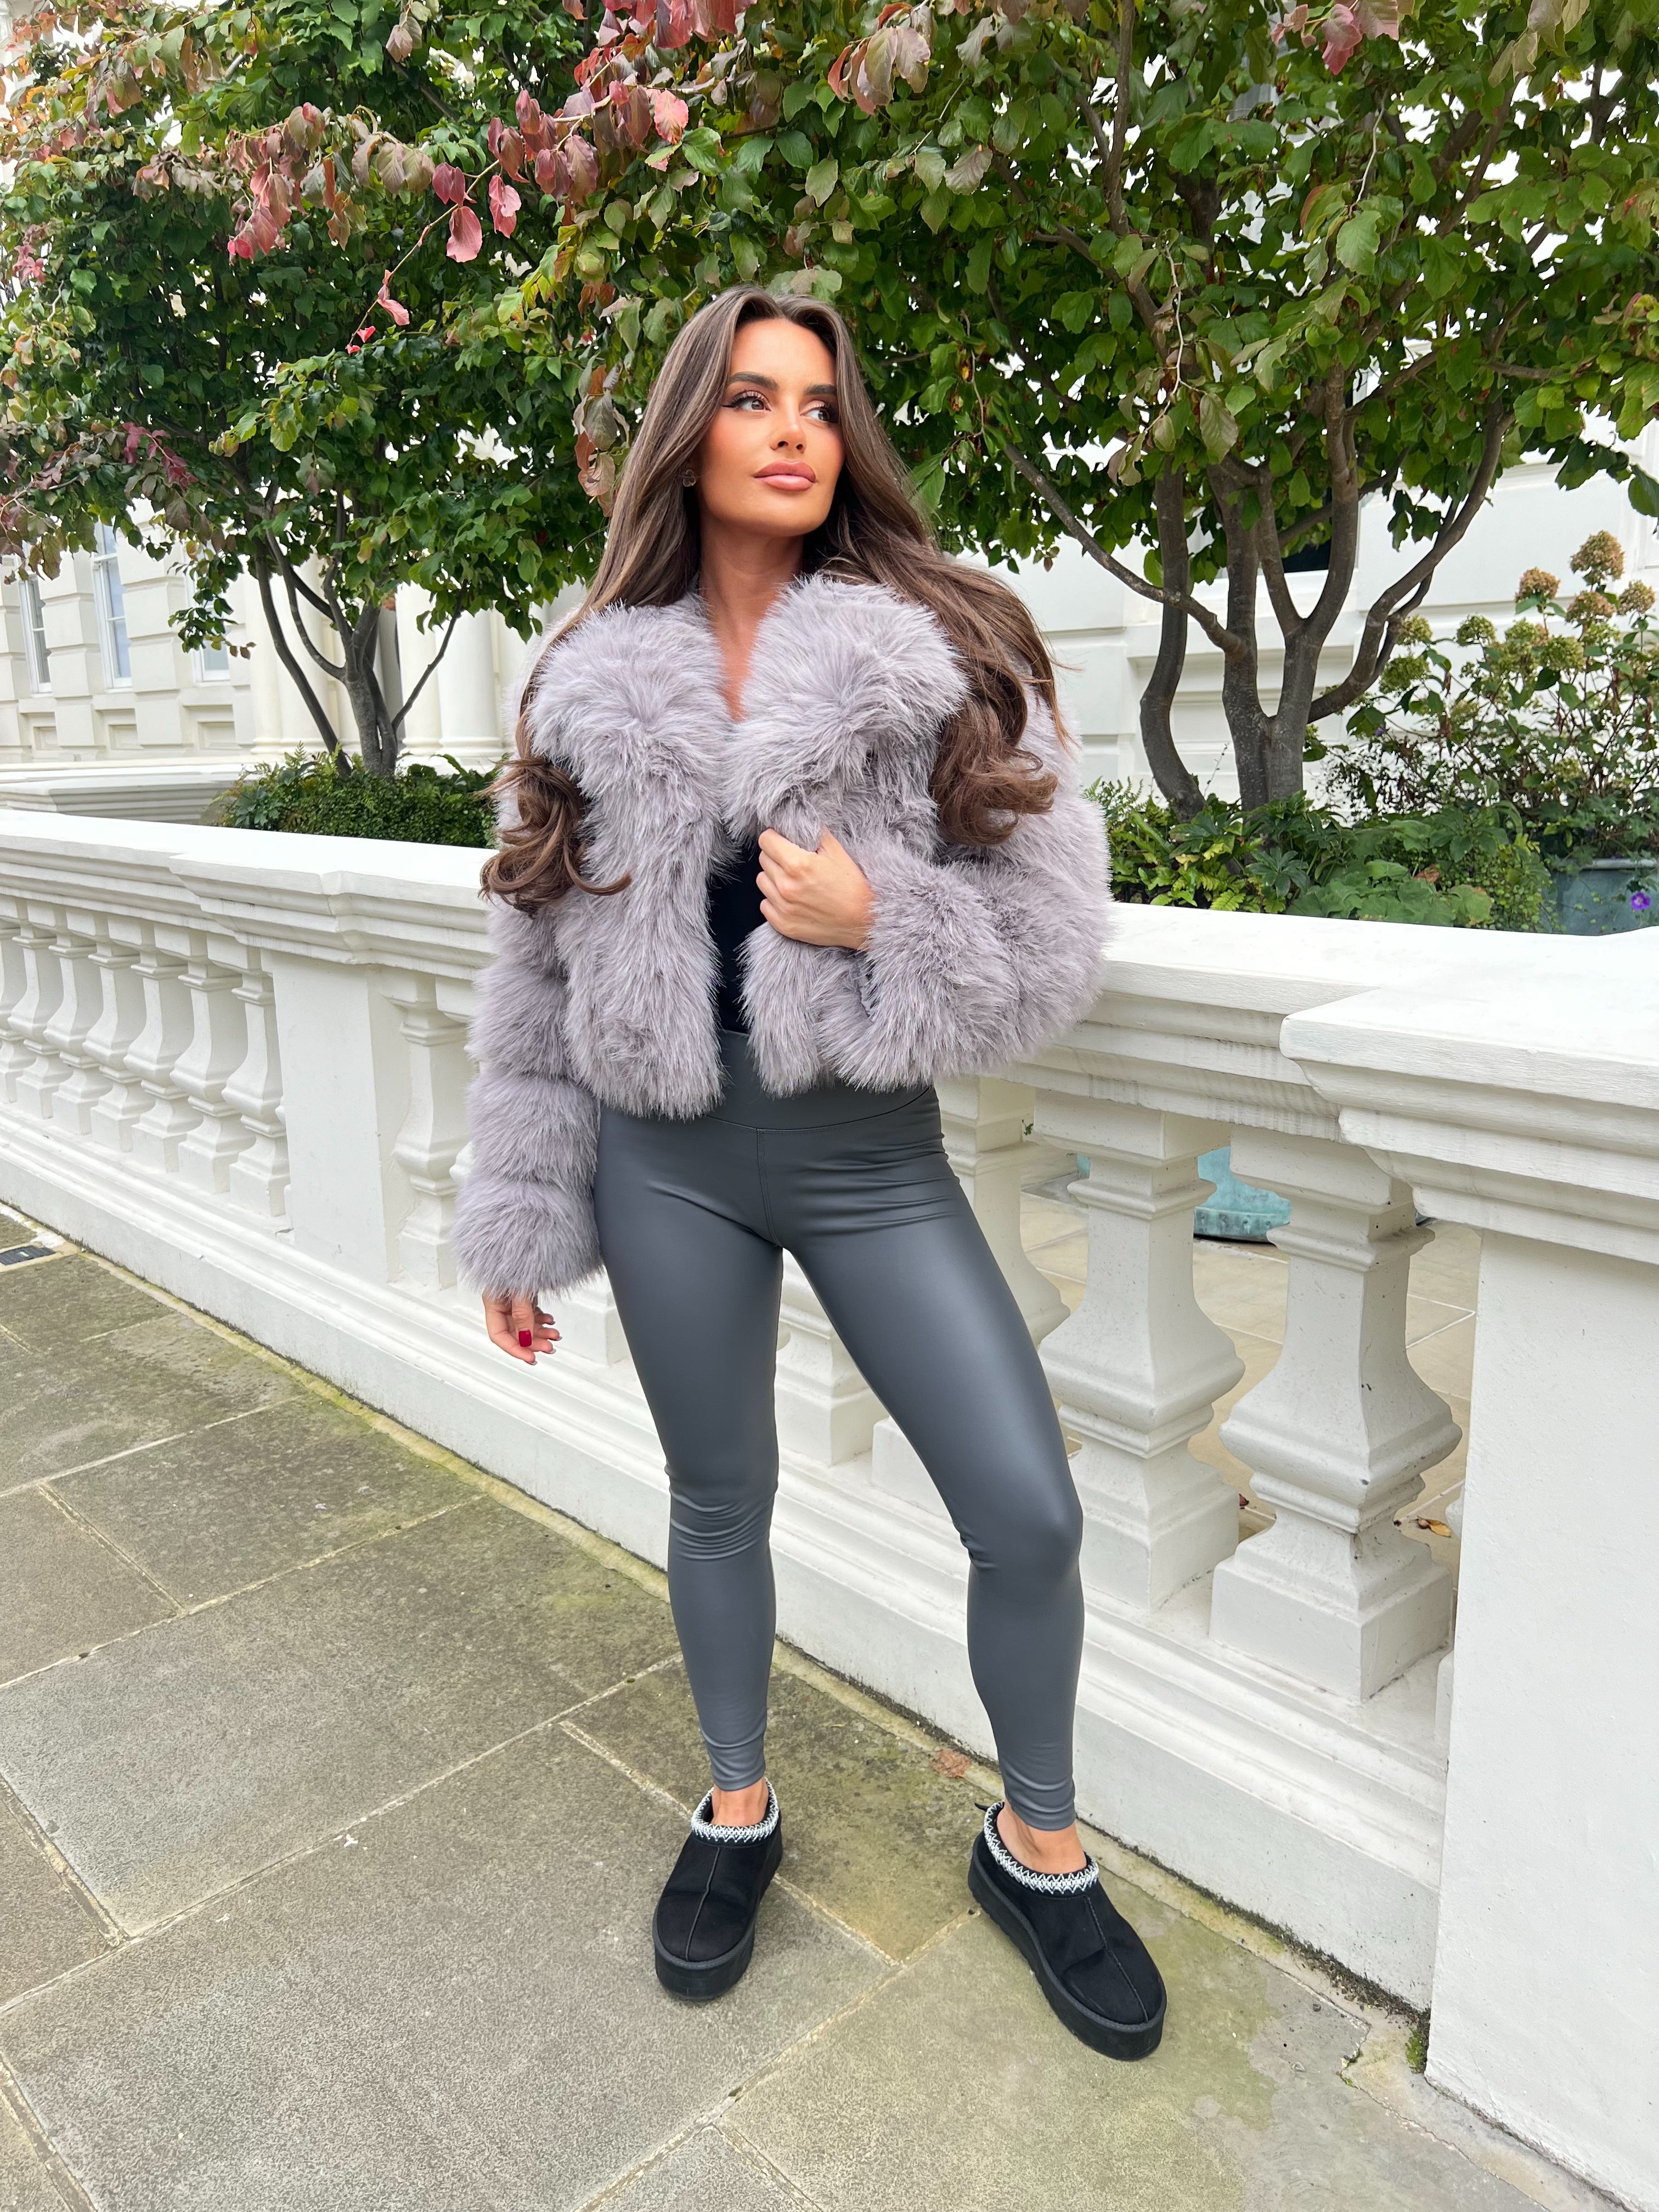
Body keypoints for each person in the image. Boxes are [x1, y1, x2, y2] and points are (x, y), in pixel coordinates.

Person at [453, 285, 1165, 2061]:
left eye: (823, 405)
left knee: (1029, 1510)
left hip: (865, 1155)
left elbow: (1056, 948)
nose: (793, 431)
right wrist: (522, 1214)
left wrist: (879, 913)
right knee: (717, 1499)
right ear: (689, 429)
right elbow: (533, 975)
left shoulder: (944, 645)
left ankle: (1039, 1846)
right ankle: (736, 1809)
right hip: (662, 1161)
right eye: (754, 398)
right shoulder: (582, 670)